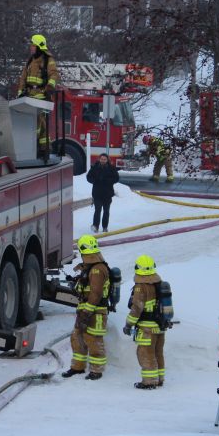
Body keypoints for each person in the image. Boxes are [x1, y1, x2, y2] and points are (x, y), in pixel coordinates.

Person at [62, 235, 111, 380]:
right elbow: (87, 288)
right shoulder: (90, 268)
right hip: (85, 309)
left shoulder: (98, 269)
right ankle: (77, 367)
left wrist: (87, 310)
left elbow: (96, 293)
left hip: (95, 311)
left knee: (93, 340)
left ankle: (96, 370)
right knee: (77, 338)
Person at [123, 255, 168, 389]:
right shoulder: (159, 283)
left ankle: (149, 382)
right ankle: (159, 379)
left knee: (145, 353)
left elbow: (137, 308)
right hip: (160, 326)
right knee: (157, 353)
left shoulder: (141, 287)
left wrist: (128, 324)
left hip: (147, 328)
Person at [17, 34, 59, 158]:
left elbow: (54, 75)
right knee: (35, 123)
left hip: (41, 96)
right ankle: (41, 148)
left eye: (33, 45)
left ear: (39, 47)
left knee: (38, 123)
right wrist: (20, 92)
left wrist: (49, 88)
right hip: (29, 96)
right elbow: (23, 78)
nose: (31, 47)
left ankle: (37, 147)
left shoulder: (48, 60)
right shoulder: (30, 60)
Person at [86, 153, 119, 233]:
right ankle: (95, 226)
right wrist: (95, 180)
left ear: (107, 160)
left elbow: (116, 178)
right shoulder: (95, 167)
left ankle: (105, 227)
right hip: (97, 193)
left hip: (107, 194)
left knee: (106, 211)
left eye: (104, 159)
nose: (103, 161)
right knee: (97, 210)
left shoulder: (111, 168)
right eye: (101, 159)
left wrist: (108, 181)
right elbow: (89, 177)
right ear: (99, 159)